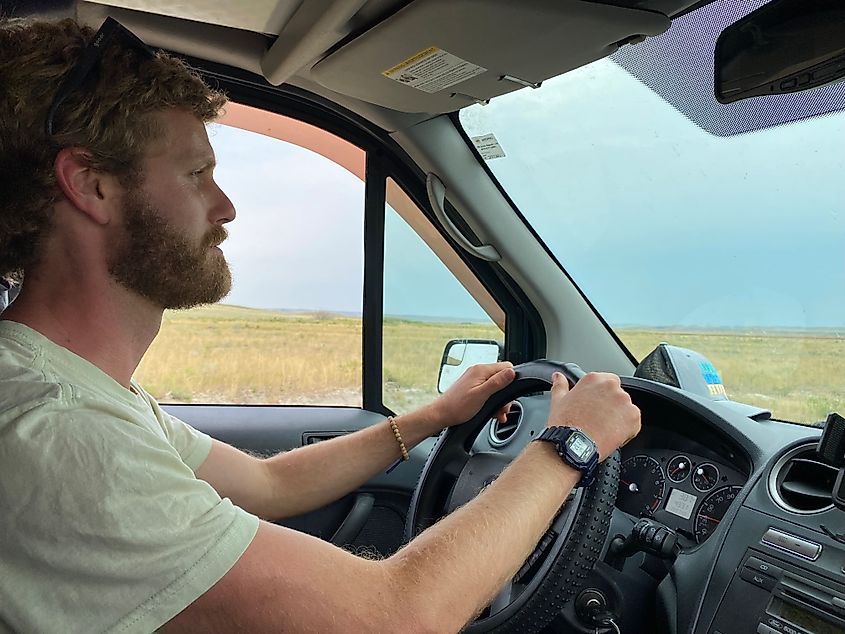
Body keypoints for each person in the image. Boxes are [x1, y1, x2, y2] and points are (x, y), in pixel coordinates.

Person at [0, 15, 641, 634]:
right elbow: (394, 619)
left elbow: (268, 484)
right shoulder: (55, 428)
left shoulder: (77, 389)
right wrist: (568, 448)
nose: (225, 207)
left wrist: (431, 418)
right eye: (196, 174)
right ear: (90, 185)